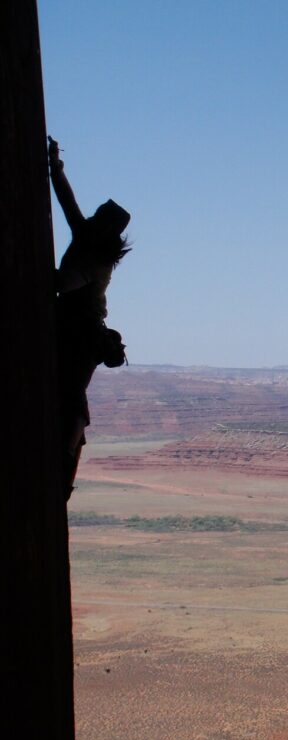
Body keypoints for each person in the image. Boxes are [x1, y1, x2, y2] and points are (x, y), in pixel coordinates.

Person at [48, 136, 131, 499]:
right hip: (72, 325)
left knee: (72, 397)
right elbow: (67, 200)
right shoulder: (85, 235)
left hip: (84, 334)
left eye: (100, 216)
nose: (93, 216)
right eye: (97, 212)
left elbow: (66, 282)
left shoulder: (96, 259)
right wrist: (56, 165)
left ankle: (66, 463)